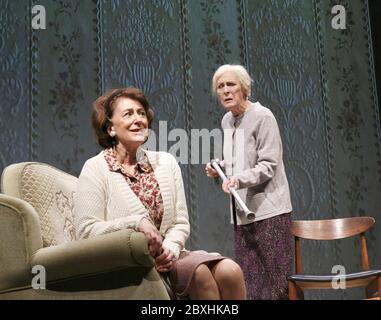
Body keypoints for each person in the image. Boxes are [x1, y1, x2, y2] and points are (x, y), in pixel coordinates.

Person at [74, 87, 246, 299]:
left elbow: (180, 223)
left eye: (142, 113)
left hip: (170, 257)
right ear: (110, 129)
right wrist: (136, 223)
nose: (138, 119)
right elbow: (86, 231)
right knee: (200, 274)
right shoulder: (95, 168)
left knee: (231, 271)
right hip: (128, 261)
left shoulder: (166, 162)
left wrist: (171, 249)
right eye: (128, 114)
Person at [205, 64, 293, 300]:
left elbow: (268, 165)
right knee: (250, 284)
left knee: (275, 285)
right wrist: (220, 169)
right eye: (220, 86)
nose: (225, 91)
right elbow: (240, 162)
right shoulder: (227, 120)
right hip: (242, 214)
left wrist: (237, 179)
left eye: (231, 84)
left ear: (244, 88)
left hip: (269, 212)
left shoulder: (262, 116)